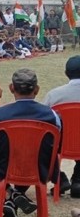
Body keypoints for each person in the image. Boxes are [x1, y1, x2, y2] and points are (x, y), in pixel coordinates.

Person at [0, 68, 63, 217]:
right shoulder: (53, 116)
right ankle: (15, 195)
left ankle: (10, 194)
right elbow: (56, 147)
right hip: (39, 168)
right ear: (36, 90)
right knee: (30, 159)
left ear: (11, 88)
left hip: (3, 168)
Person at [43, 55, 80, 197]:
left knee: (41, 140)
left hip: (60, 143)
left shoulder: (54, 95)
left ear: (66, 73)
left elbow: (42, 121)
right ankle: (78, 179)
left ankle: (59, 177)